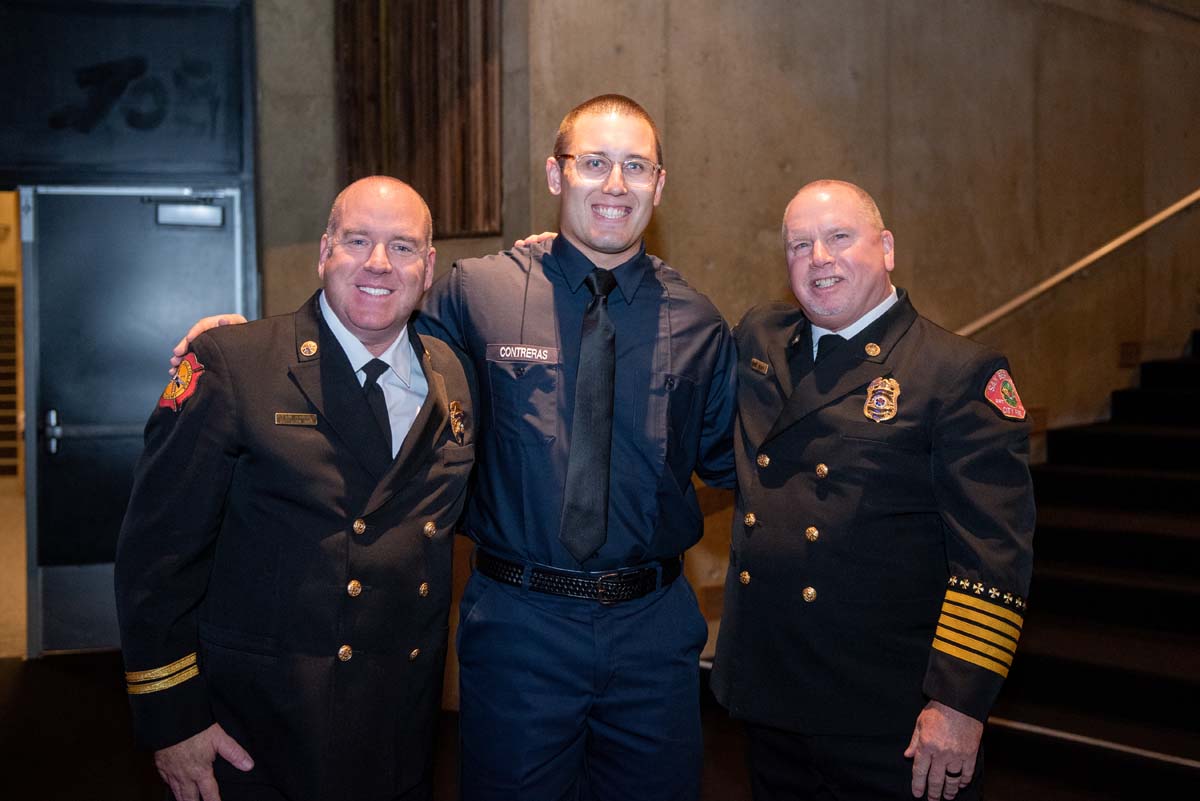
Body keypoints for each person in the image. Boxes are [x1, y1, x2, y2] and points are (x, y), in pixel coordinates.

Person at [168, 95, 736, 801]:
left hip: (652, 631)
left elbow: (720, 465)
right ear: (558, 176)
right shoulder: (479, 291)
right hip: (519, 625)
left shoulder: (701, 322)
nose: (614, 183)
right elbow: (369, 320)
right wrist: (250, 344)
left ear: (660, 183)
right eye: (593, 162)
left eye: (634, 166)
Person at [116, 176, 477, 801]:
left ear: (429, 267)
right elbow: (156, 558)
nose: (378, 264)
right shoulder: (236, 364)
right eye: (358, 240)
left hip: (400, 729)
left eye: (402, 247)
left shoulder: (451, 373)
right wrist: (173, 720)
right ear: (324, 251)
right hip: (264, 733)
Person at [711, 179, 1035, 801]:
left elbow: (995, 557)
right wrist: (573, 254)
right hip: (772, 699)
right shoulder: (760, 339)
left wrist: (959, 705)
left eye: (839, 237)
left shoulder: (956, 373)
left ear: (886, 248)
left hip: (891, 717)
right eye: (799, 245)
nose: (819, 258)